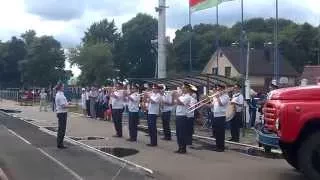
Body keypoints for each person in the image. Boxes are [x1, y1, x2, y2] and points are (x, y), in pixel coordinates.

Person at [209, 84, 230, 152]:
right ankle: (217, 146)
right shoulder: (215, 97)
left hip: (221, 116)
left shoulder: (226, 96)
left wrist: (217, 97)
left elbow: (221, 104)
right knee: (216, 132)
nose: (217, 90)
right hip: (215, 115)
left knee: (221, 132)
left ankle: (221, 147)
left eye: (219, 89)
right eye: (217, 89)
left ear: (223, 89)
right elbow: (212, 105)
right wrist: (204, 104)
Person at [174, 83, 192, 154]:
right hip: (178, 115)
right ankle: (180, 147)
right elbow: (176, 103)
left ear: (187, 89)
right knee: (178, 133)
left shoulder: (188, 97)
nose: (182, 89)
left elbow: (180, 103)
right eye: (182, 88)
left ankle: (183, 149)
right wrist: (175, 96)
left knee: (182, 133)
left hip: (183, 116)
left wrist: (176, 96)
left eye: (184, 88)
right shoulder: (182, 96)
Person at [55, 82, 73, 149]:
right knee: (62, 129)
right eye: (62, 86)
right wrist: (71, 106)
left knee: (61, 128)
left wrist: (68, 103)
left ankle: (60, 143)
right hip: (62, 113)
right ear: (60, 87)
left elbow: (64, 103)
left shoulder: (60, 94)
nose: (63, 88)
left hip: (61, 112)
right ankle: (60, 144)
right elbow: (63, 105)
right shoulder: (60, 95)